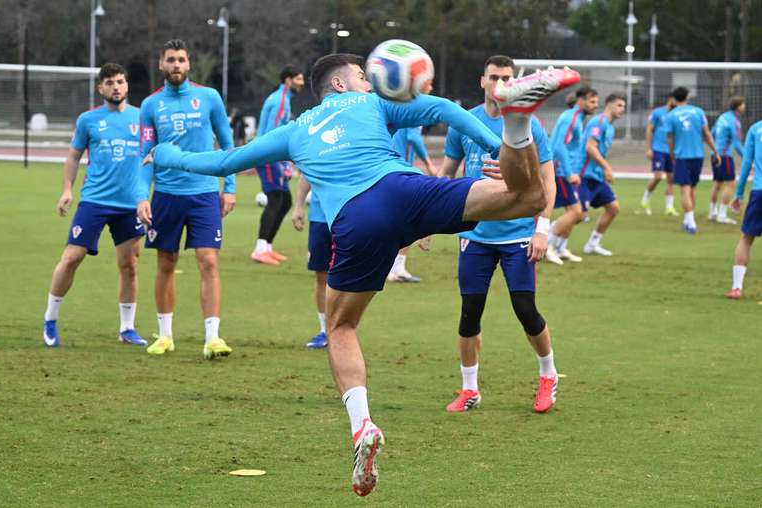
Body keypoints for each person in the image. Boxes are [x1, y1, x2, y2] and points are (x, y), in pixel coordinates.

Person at [147, 53, 579, 496]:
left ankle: (362, 426)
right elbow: (443, 109)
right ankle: (517, 122)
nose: (371, 83)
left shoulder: (295, 132)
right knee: (529, 199)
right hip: (406, 192)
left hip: (356, 221)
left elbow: (224, 162)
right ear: (339, 85)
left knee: (341, 325)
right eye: (362, 77)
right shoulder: (370, 105)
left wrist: (167, 153)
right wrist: (493, 145)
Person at [440, 55, 559, 414]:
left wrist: (542, 229)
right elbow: (447, 174)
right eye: (494, 77)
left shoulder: (528, 125)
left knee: (525, 310)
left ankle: (548, 375)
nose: (499, 84)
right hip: (475, 234)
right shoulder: (465, 123)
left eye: (506, 78)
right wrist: (427, 221)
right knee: (469, 314)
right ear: (482, 81)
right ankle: (469, 389)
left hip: (518, 234)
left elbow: (548, 180)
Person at [137, 39, 236, 359]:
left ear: (188, 64)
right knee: (166, 263)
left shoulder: (208, 97)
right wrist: (142, 196)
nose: (176, 64)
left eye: (181, 59)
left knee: (208, 261)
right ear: (161, 65)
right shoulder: (151, 105)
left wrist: (230, 186)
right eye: (170, 60)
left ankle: (212, 337)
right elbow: (144, 154)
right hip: (166, 195)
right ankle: (165, 335)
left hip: (205, 193)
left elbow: (227, 142)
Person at [43, 63, 146, 348]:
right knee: (72, 257)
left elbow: (154, 156)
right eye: (110, 82)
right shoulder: (88, 120)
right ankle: (50, 320)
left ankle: (127, 328)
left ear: (127, 86)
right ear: (100, 88)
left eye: (121, 81)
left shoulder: (142, 118)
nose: (116, 87)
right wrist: (67, 189)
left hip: (129, 205)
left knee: (129, 264)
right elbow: (74, 156)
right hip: (95, 200)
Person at [251, 66, 305, 265]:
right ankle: (259, 249)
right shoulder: (280, 100)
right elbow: (273, 134)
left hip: (271, 156)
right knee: (275, 200)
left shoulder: (283, 99)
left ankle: (267, 247)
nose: (302, 82)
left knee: (285, 202)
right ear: (288, 80)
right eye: (299, 79)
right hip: (266, 155)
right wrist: (282, 164)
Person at [545, 85, 598, 264]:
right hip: (560, 171)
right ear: (580, 100)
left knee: (575, 212)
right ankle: (546, 243)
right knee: (576, 212)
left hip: (568, 172)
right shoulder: (571, 118)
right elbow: (559, 146)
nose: (595, 105)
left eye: (596, 102)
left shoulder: (578, 118)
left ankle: (559, 248)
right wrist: (568, 173)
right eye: (592, 101)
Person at [664, 86, 721, 234]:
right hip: (698, 155)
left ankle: (691, 222)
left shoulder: (670, 115)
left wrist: (671, 154)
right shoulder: (699, 112)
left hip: (682, 156)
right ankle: (687, 220)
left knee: (685, 189)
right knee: (693, 188)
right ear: (687, 97)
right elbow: (707, 133)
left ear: (674, 99)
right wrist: (715, 151)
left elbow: (670, 139)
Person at [577, 93, 627, 256]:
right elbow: (590, 147)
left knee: (613, 208)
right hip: (584, 175)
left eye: (624, 106)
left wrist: (603, 170)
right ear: (609, 105)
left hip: (596, 177)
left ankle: (592, 244)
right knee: (578, 215)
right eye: (619, 105)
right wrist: (607, 167)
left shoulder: (610, 127)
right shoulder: (598, 122)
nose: (622, 109)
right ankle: (548, 241)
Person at [388, 126, 437, 282]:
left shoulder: (390, 106)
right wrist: (429, 164)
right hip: (401, 171)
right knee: (411, 217)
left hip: (385, 168)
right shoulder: (413, 109)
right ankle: (396, 269)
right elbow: (413, 138)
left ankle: (393, 268)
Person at [291, 174, 330, 349]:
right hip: (319, 219)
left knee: (348, 277)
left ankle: (344, 327)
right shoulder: (314, 147)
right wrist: (298, 206)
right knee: (321, 275)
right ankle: (325, 330)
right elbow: (306, 174)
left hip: (349, 216)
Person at [726, 117, 762, 299]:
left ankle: (737, 287)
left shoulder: (756, 129)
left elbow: (747, 163)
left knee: (747, 238)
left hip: (759, 191)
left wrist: (739, 194)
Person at [640, 93, 678, 216]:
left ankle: (669, 207)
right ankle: (645, 199)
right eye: (675, 100)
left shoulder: (677, 114)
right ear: (670, 99)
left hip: (672, 151)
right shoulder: (657, 112)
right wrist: (648, 148)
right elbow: (649, 129)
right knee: (658, 176)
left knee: (671, 179)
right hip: (658, 149)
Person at [709, 96, 745, 224]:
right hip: (724, 156)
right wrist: (747, 157)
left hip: (714, 154)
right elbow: (736, 142)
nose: (744, 107)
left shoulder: (722, 117)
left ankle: (712, 213)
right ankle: (722, 215)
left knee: (717, 183)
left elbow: (711, 133)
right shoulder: (734, 121)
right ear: (739, 106)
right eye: (743, 104)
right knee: (731, 184)